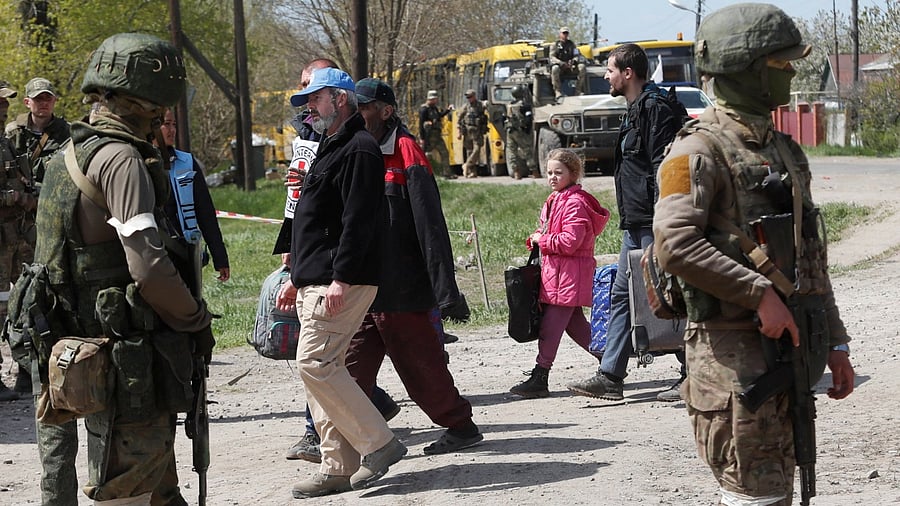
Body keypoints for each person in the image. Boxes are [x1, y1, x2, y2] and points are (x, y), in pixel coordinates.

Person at [652, 4, 855, 504]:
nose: (790, 73)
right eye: (779, 64)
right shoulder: (696, 151)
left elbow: (810, 258)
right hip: (731, 364)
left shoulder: (785, 151)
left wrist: (836, 341)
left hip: (790, 351)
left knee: (782, 488)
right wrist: (759, 292)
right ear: (746, 69)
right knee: (754, 495)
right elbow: (674, 243)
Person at [27, 33, 215, 505]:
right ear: (146, 101)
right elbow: (148, 266)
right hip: (125, 353)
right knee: (129, 486)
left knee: (158, 487)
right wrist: (194, 319)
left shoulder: (67, 153)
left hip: (81, 347)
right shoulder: (122, 160)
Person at [275, 68, 406, 498]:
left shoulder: (358, 149)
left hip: (340, 279)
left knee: (315, 364)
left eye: (315, 98)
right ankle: (338, 465)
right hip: (319, 276)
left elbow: (358, 222)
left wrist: (341, 278)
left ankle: (379, 444)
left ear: (341, 99)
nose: (308, 107)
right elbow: (311, 219)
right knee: (322, 369)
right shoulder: (331, 146)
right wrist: (297, 276)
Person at [348, 77, 483, 456]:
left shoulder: (407, 151)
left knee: (420, 367)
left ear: (385, 111)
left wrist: (445, 290)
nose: (357, 113)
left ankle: (460, 425)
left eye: (364, 106)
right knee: (346, 368)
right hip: (361, 287)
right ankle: (347, 439)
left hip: (401, 288)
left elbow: (430, 225)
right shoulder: (356, 149)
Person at [566, 43, 686, 403]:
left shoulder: (655, 109)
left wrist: (665, 218)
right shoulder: (634, 110)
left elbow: (664, 168)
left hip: (654, 221)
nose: (606, 75)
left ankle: (693, 373)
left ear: (627, 73)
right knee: (622, 293)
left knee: (668, 293)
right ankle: (611, 377)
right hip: (634, 223)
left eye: (610, 69)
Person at [509, 148, 610, 398]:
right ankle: (612, 364)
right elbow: (549, 233)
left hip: (571, 274)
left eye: (559, 172)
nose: (552, 177)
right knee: (576, 326)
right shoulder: (554, 199)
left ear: (573, 173)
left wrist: (542, 240)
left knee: (550, 327)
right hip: (558, 274)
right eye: (549, 172)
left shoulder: (575, 202)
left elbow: (570, 241)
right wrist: (536, 238)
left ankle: (540, 376)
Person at [157, 108, 230, 282]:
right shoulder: (136, 161)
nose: (172, 130)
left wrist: (220, 257)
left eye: (174, 124)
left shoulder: (187, 163)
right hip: (154, 254)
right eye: (166, 124)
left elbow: (205, 212)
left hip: (185, 252)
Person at [0, 79, 29, 402]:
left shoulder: (7, 139)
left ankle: (24, 371)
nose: (4, 106)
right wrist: (15, 198)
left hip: (18, 235)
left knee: (24, 302)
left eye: (7, 101)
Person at [5, 77, 70, 182]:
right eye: (38, 99)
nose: (44, 103)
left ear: (55, 101)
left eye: (48, 98)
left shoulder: (67, 131)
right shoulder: (13, 131)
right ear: (27, 102)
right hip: (21, 193)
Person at [418, 89, 455, 179]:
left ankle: (447, 173)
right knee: (426, 155)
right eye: (434, 99)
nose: (436, 100)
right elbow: (421, 124)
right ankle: (425, 174)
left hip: (437, 136)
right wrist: (422, 138)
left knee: (445, 153)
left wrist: (447, 110)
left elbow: (439, 116)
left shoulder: (434, 108)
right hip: (428, 137)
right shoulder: (424, 109)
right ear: (430, 99)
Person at [504, 84, 538, 179]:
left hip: (510, 131)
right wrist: (527, 130)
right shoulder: (524, 105)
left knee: (511, 151)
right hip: (520, 131)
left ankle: (516, 172)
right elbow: (528, 118)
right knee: (527, 151)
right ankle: (534, 171)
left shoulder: (509, 105)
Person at [456, 89, 488, 179]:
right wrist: (458, 132)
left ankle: (467, 165)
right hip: (467, 132)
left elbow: (488, 106)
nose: (468, 99)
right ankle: (472, 172)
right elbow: (458, 120)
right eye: (467, 97)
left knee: (477, 150)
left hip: (477, 131)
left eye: (470, 97)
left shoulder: (480, 105)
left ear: (474, 96)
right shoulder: (465, 107)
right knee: (469, 151)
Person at [549, 27, 586, 100]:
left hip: (570, 66)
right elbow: (552, 57)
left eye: (566, 33)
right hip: (560, 67)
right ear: (560, 34)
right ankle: (558, 91)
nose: (565, 35)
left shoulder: (572, 44)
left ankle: (578, 90)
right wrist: (561, 63)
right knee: (554, 69)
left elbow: (576, 55)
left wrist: (573, 61)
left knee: (582, 67)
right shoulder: (555, 45)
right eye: (563, 33)